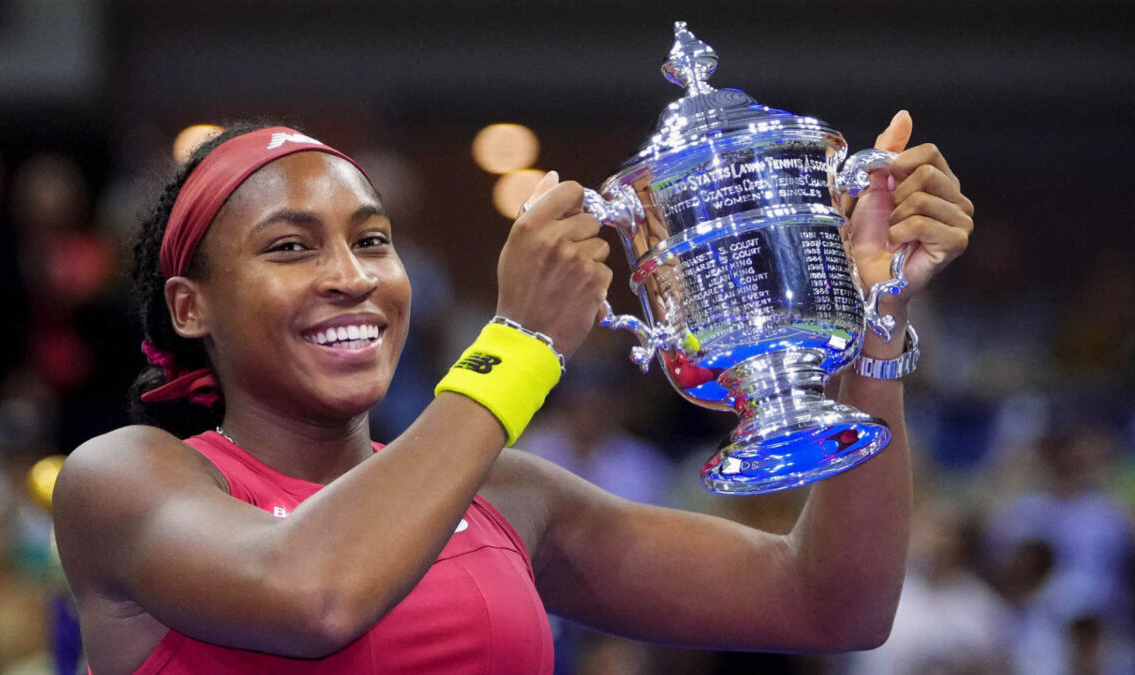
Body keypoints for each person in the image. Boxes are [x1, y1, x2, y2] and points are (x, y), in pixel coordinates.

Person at [52, 112, 974, 674]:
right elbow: (311, 595)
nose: (351, 276)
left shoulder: (511, 500)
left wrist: (873, 317)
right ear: (189, 305)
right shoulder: (127, 478)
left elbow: (833, 605)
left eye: (372, 241)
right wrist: (521, 343)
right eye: (291, 247)